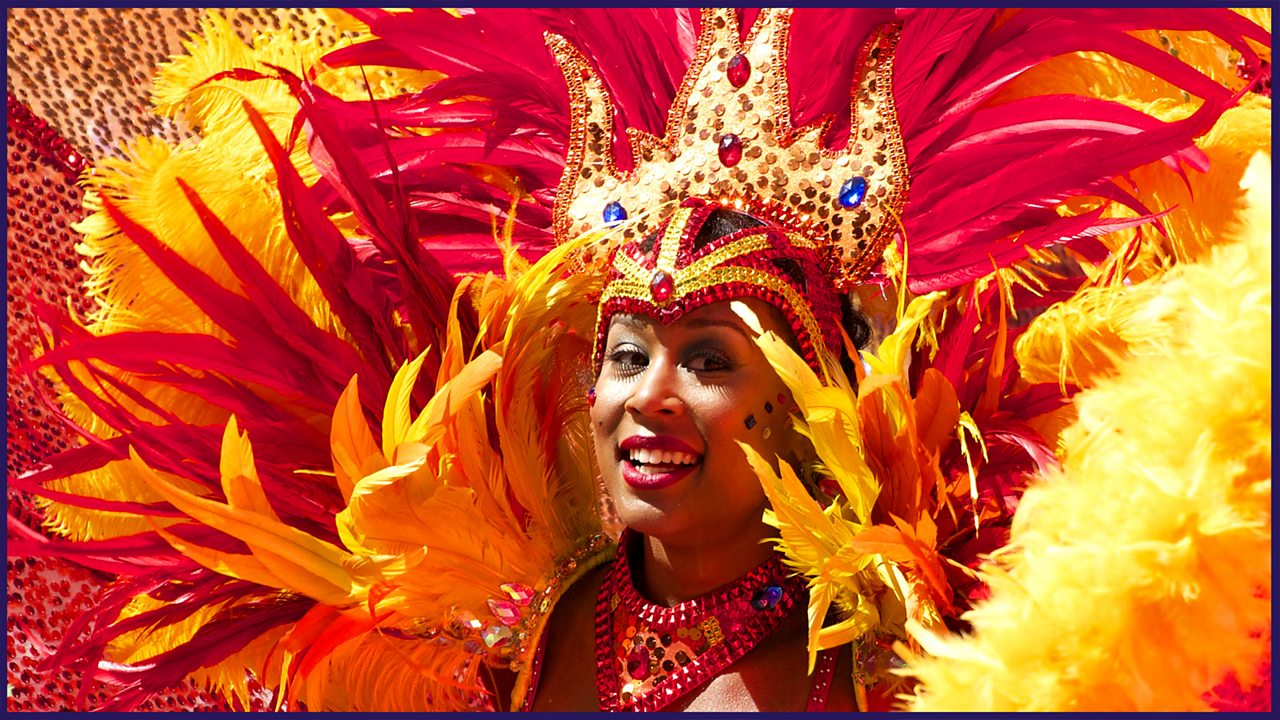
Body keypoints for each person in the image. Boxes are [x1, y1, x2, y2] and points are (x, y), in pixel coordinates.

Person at [8, 7, 1270, 712]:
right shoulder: (552, 609)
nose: (644, 397)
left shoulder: (857, 671)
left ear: (794, 408)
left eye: (709, 359)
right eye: (627, 352)